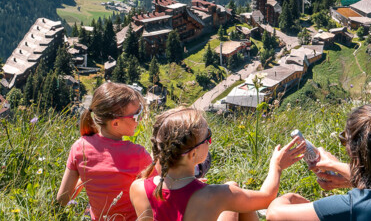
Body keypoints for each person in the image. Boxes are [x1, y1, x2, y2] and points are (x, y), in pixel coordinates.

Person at [265, 104, 371, 221]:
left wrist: (288, 196)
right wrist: (337, 167)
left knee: (293, 202)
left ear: (355, 153)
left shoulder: (354, 206)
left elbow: (274, 214)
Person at [128, 107, 305, 221]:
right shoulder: (217, 195)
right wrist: (277, 166)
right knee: (289, 198)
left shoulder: (138, 188)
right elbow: (267, 197)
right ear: (194, 153)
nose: (210, 141)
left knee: (232, 188)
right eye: (208, 137)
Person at [56, 82, 153, 221]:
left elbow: (62, 199)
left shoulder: (79, 147)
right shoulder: (138, 155)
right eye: (136, 116)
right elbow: (159, 193)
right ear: (115, 123)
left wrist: (86, 180)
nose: (140, 119)